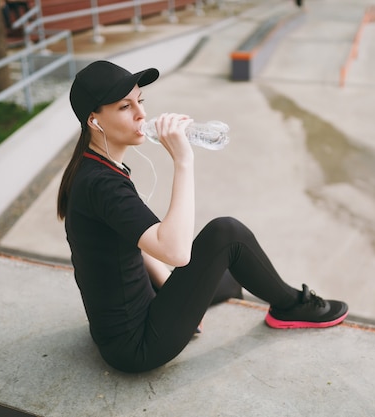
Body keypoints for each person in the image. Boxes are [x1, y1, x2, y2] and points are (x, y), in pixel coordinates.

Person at [57, 60, 348, 373]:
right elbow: (177, 252)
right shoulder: (103, 184)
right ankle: (291, 307)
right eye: (125, 107)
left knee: (236, 274)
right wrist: (183, 160)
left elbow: (134, 240)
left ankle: (279, 300)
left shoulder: (91, 168)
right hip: (135, 344)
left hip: (130, 318)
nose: (141, 114)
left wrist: (172, 289)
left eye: (140, 101)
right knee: (227, 235)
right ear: (95, 121)